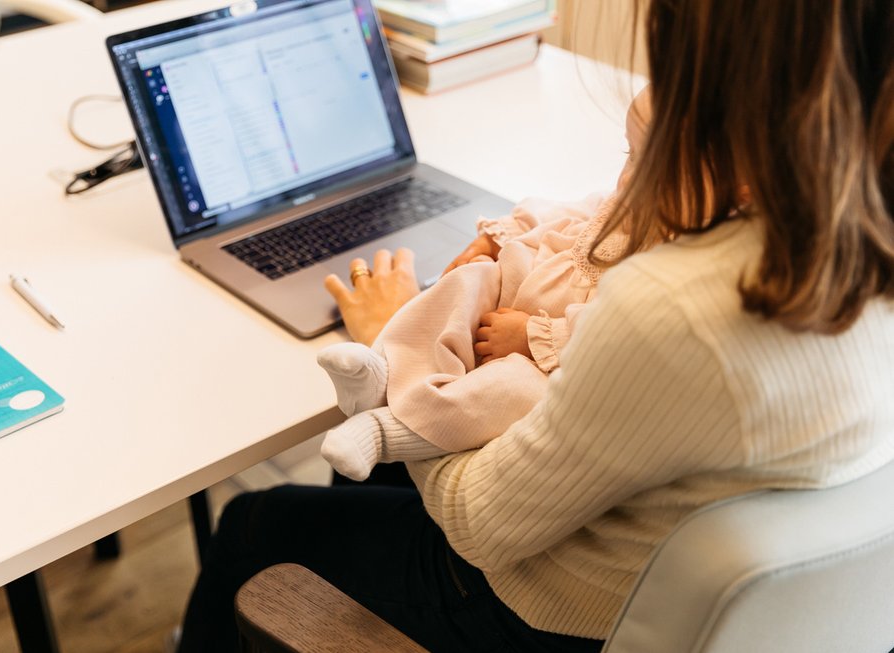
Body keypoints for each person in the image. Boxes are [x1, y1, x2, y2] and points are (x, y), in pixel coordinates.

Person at [177, 1, 894, 651]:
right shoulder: (849, 228)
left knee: (257, 526)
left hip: (543, 611)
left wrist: (397, 336)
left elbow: (476, 524)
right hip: (696, 568)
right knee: (373, 475)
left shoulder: (674, 309)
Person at [315, 90, 650, 481]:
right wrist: (499, 236)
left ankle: (382, 432)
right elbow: (568, 210)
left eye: (652, 162)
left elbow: (618, 335)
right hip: (517, 290)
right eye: (630, 155)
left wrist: (534, 336)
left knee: (513, 391)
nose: (629, 178)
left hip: (540, 361)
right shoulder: (628, 201)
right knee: (468, 279)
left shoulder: (670, 268)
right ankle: (386, 371)